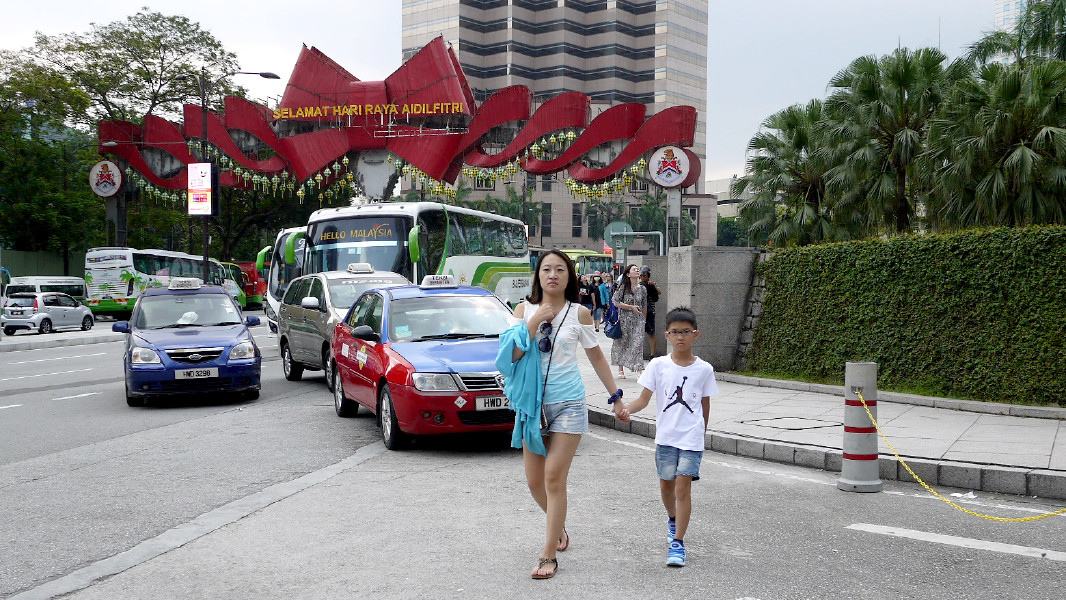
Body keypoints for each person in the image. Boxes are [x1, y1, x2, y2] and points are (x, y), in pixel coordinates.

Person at [496, 249, 625, 579]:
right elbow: (509, 354)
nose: (552, 274)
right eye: (546, 269)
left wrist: (616, 398)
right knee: (534, 481)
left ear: (569, 277)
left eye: (560, 270)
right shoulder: (523, 310)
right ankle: (559, 529)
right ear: (537, 275)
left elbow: (596, 357)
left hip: (568, 401)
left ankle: (548, 554)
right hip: (531, 404)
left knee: (554, 476)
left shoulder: (580, 314)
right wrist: (536, 320)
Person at [614, 307, 718, 567]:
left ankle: (678, 544)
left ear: (696, 334)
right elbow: (643, 399)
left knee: (683, 487)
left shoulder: (705, 369)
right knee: (666, 486)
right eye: (675, 332)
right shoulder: (658, 365)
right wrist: (626, 410)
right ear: (667, 336)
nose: (680, 337)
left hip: (691, 439)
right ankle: (672, 519)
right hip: (666, 438)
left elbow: (705, 406)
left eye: (686, 332)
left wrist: (701, 434)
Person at [611, 264, 646, 379]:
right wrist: (631, 307)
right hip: (625, 320)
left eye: (637, 269)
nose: (637, 270)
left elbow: (644, 305)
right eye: (634, 269)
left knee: (638, 343)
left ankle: (639, 369)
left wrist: (644, 319)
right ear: (628, 274)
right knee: (623, 343)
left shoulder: (642, 289)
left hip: (639, 320)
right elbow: (615, 302)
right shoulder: (623, 287)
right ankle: (620, 369)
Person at [640, 266, 662, 356]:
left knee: (651, 333)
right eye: (641, 276)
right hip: (640, 311)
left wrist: (654, 285)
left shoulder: (651, 284)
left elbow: (659, 292)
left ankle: (653, 354)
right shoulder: (639, 285)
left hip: (650, 311)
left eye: (644, 275)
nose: (643, 277)